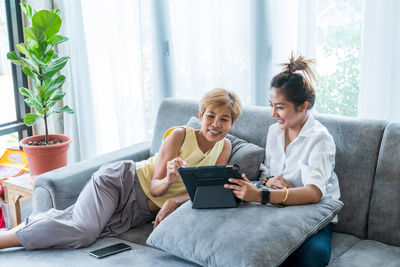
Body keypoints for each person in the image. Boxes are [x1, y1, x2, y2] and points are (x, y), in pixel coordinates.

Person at [0, 88, 242, 250]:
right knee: (83, 232)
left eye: (224, 119)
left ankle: (35, 222)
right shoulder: (180, 135)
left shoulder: (224, 147)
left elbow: (206, 190)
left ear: (233, 123)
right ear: (200, 115)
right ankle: (5, 239)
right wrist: (169, 179)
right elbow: (157, 189)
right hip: (121, 182)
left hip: (138, 210)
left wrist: (174, 202)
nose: (216, 124)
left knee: (86, 231)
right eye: (211, 116)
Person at [224, 54, 340, 267]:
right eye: (271, 105)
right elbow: (267, 172)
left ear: (303, 106)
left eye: (279, 107)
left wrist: (261, 195)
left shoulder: (320, 138)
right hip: (277, 206)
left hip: (311, 210)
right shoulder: (274, 132)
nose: (272, 113)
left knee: (313, 257)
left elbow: (314, 193)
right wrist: (268, 182)